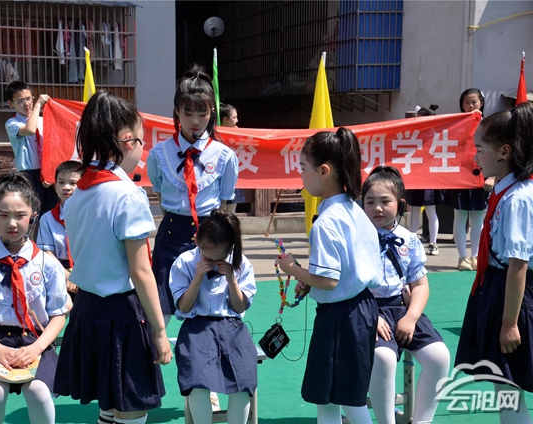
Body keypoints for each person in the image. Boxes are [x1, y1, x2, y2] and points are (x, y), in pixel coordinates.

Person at [53, 92, 172, 424]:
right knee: (131, 406)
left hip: (87, 310)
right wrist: (160, 330)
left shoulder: (77, 194)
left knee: (108, 402)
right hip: (121, 312)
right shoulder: (127, 195)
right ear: (127, 140)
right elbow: (141, 271)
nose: (142, 151)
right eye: (141, 142)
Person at [278, 128, 382, 424]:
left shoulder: (326, 222)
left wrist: (292, 268)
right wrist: (307, 278)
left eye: (303, 168)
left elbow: (329, 281)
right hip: (359, 308)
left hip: (341, 316)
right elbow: (339, 273)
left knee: (340, 399)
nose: (301, 175)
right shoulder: (354, 209)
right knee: (337, 397)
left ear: (323, 171)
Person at [0, 172, 67, 423]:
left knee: (38, 391)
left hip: (35, 341)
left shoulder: (48, 264)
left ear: (33, 216)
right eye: (3, 215)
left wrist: (36, 348)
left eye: (20, 215)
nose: (12, 223)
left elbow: (58, 316)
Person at [455, 102, 533, 423]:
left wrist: (509, 323)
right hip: (496, 288)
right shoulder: (503, 190)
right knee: (504, 384)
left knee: (509, 385)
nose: (475, 157)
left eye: (480, 149)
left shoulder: (518, 198)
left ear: (504, 152)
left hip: (512, 295)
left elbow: (518, 265)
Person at [147, 65, 238, 326]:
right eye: (188, 113)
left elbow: (226, 202)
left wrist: (220, 238)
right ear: (177, 111)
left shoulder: (224, 156)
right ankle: (157, 347)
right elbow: (161, 195)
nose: (195, 121)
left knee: (206, 306)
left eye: (202, 113)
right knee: (162, 305)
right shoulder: (159, 154)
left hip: (209, 236)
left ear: (212, 112)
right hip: (171, 233)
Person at [362, 166, 450, 424]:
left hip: (403, 307)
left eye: (385, 201)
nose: (377, 208)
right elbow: (349, 285)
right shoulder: (356, 238)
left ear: (400, 204)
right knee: (384, 357)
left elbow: (420, 285)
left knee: (439, 357)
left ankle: (422, 421)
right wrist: (369, 315)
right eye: (370, 202)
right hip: (366, 310)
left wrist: (411, 317)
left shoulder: (410, 240)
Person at [169, 209, 257, 424]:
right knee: (197, 382)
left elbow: (239, 307)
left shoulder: (242, 263)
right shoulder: (184, 261)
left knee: (242, 382)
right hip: (196, 327)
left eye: (220, 259)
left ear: (231, 249)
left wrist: (232, 280)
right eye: (206, 257)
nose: (213, 263)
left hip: (232, 326)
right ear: (197, 241)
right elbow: (183, 306)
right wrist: (197, 278)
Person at [444, 88, 494, 271]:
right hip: (460, 176)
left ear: (481, 102)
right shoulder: (455, 125)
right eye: (467, 102)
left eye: (474, 101)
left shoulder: (488, 125)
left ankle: (475, 256)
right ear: (461, 105)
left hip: (480, 175)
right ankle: (462, 258)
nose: (471, 105)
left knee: (478, 217)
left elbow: (494, 150)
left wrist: (492, 176)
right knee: (460, 216)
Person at [4, 81, 58, 214]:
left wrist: (51, 171)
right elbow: (29, 130)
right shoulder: (12, 123)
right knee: (32, 212)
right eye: (20, 101)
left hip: (47, 171)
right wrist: (38, 105)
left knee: (51, 213)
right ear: (10, 103)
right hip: (29, 174)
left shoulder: (43, 120)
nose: (27, 103)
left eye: (28, 98)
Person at [37, 160, 82, 302]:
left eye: (73, 183)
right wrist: (66, 275)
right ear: (55, 186)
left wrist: (78, 274)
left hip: (85, 269)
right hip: (58, 268)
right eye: (61, 182)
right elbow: (46, 252)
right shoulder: (47, 219)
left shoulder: (91, 216)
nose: (66, 187)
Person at [406, 105, 445, 255]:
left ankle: (433, 243)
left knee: (430, 210)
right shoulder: (412, 134)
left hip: (430, 178)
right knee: (414, 210)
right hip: (416, 176)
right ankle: (412, 242)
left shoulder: (436, 135)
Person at [219, 103, 245, 214]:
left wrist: (238, 135)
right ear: (225, 119)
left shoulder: (238, 134)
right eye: (234, 117)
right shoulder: (214, 135)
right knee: (218, 213)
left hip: (233, 180)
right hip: (219, 178)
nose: (237, 121)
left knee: (230, 213)